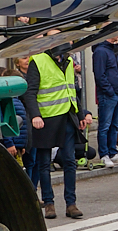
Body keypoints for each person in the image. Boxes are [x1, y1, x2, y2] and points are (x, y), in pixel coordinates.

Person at [23, 37, 92, 219]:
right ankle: (49, 203)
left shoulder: (68, 61)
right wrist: (35, 115)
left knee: (70, 161)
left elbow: (71, 90)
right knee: (44, 163)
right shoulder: (38, 61)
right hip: (46, 118)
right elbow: (30, 92)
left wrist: (80, 114)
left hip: (67, 117)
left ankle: (71, 204)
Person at [92, 36, 118, 167]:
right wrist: (109, 90)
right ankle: (104, 154)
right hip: (109, 94)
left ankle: (113, 153)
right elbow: (99, 74)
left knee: (114, 125)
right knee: (105, 126)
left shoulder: (113, 50)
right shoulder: (101, 51)